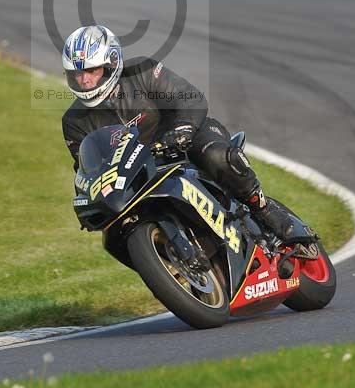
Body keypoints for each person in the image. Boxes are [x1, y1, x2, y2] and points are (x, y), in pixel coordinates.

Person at [61, 24, 294, 240]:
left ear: (111, 64)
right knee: (116, 232)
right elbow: (87, 167)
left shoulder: (142, 71)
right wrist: (88, 198)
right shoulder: (73, 121)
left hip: (188, 137)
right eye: (77, 74)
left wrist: (182, 130)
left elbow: (190, 98)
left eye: (92, 70)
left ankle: (263, 209)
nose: (85, 80)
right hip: (139, 171)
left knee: (217, 157)